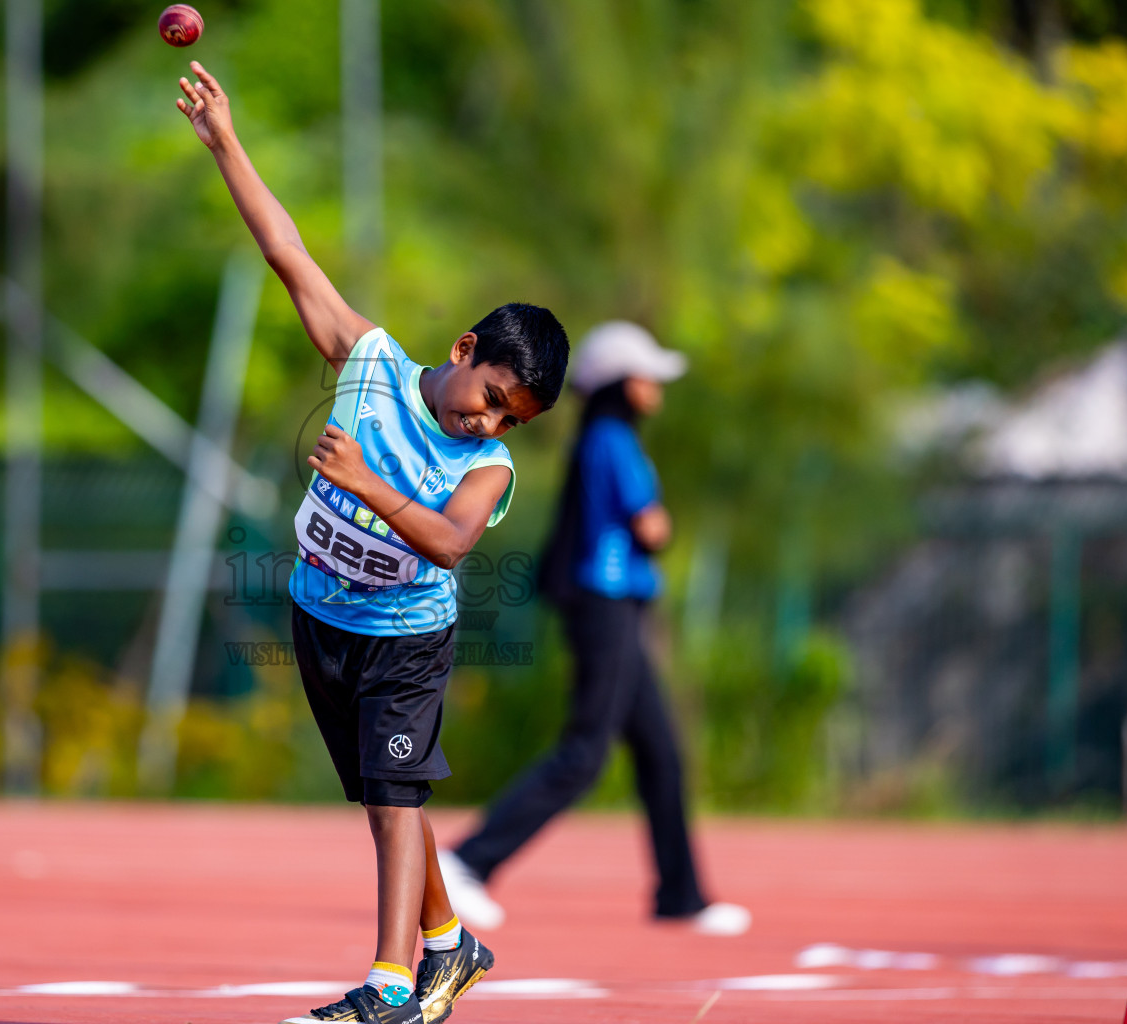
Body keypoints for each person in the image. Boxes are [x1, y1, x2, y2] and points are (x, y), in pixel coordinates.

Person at [174, 62, 571, 1024]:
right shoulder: (370, 363)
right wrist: (228, 142)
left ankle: (391, 989)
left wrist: (366, 483)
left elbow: (447, 543)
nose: (489, 428)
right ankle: (450, 942)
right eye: (490, 403)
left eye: (511, 423)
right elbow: (288, 254)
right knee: (387, 802)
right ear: (466, 350)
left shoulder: (491, 473)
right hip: (319, 616)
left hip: (406, 637)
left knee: (396, 802)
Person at [437, 321, 750, 938]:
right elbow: (650, 526)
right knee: (586, 750)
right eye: (646, 376)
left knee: (660, 752)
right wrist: (660, 526)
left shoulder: (596, 439)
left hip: (610, 605)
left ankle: (680, 894)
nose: (655, 387)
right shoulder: (615, 442)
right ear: (620, 385)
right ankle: (465, 862)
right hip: (608, 603)